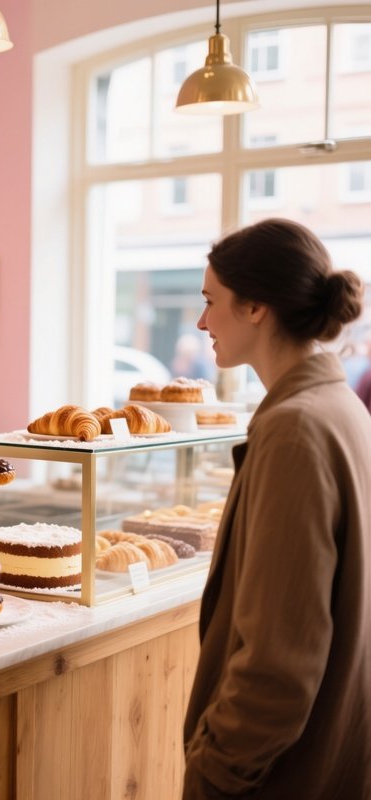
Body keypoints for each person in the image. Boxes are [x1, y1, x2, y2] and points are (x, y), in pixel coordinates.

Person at [184, 218, 371, 799]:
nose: (201, 321)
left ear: (257, 306)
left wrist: (213, 769)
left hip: (284, 775)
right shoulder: (339, 406)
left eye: (212, 301)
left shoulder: (295, 429)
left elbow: (280, 665)